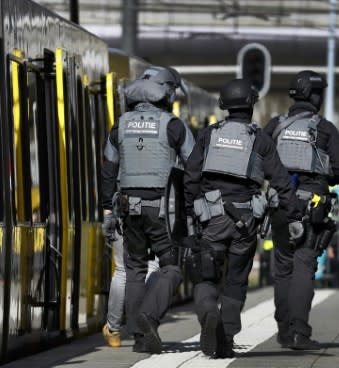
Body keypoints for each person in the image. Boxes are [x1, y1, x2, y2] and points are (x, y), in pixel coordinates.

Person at [183, 78, 304, 358]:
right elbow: (282, 182)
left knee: (206, 276)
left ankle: (208, 315)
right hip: (246, 221)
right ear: (250, 104)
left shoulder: (209, 135)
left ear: (224, 105)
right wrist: (294, 216)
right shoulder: (259, 139)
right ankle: (225, 336)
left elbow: (190, 176)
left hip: (210, 219)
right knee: (237, 279)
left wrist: (190, 211)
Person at [101, 65, 194, 354]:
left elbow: (108, 170)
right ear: (166, 92)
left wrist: (107, 210)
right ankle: (148, 318)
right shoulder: (174, 125)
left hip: (128, 210)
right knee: (172, 268)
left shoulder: (120, 125)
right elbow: (194, 166)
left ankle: (139, 339)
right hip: (162, 213)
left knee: (135, 270)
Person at [264, 70, 339, 350]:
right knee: (303, 266)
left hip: (278, 205)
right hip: (310, 207)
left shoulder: (275, 125)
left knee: (283, 268)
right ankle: (300, 333)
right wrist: (323, 180)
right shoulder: (323, 128)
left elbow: (258, 160)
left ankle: (284, 331)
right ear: (315, 96)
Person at [101, 229, 160, 347]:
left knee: (122, 270)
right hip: (154, 218)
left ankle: (113, 331)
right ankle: (147, 323)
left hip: (125, 219)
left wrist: (108, 221)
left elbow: (109, 211)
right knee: (152, 267)